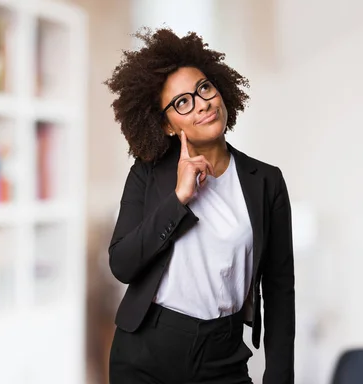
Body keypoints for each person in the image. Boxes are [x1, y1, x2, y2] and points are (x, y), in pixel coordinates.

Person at [104, 28, 295, 384]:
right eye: (182, 102)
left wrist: (280, 376)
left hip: (222, 352)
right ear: (166, 123)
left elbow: (280, 289)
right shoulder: (147, 175)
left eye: (204, 88)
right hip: (147, 348)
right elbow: (122, 264)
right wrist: (178, 199)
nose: (202, 103)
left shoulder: (266, 181)